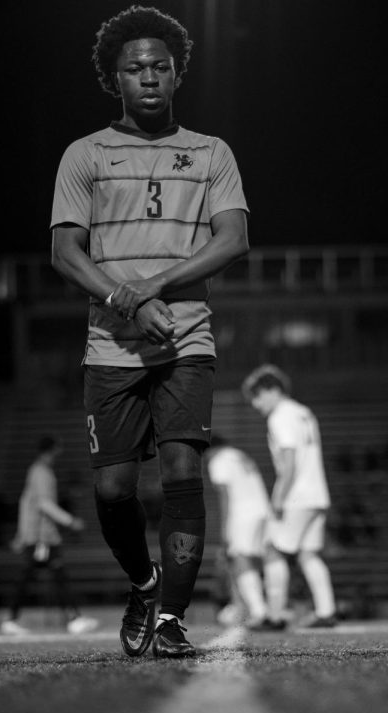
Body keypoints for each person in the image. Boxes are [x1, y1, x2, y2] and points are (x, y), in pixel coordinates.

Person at [48, 5, 250, 658]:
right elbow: (64, 252)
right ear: (115, 78)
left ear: (177, 73)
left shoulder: (211, 153)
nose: (150, 77)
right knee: (112, 490)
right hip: (111, 347)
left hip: (186, 341)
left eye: (161, 66)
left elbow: (234, 240)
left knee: (183, 467)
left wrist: (153, 289)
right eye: (135, 68)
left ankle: (170, 618)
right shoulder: (84, 155)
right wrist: (122, 300)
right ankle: (143, 582)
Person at [242, 364, 338, 629]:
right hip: (317, 494)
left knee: (273, 551)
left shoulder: (280, 416)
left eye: (257, 396)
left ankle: (274, 616)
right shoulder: (303, 412)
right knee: (309, 554)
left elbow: (289, 461)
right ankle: (326, 611)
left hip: (297, 496)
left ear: (273, 390)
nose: (255, 404)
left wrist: (278, 498)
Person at [3, 436, 99, 636]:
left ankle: (14, 619)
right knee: (47, 576)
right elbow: (43, 504)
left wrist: (21, 535)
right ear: (52, 450)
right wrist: (70, 521)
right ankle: (72, 619)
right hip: (42, 537)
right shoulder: (42, 473)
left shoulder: (36, 471)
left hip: (39, 535)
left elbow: (26, 502)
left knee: (43, 576)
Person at [204, 434, 272, 629]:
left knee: (239, 559)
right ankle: (249, 607)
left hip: (243, 513)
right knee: (254, 561)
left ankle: (259, 611)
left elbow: (225, 496)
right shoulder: (238, 454)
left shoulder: (218, 460)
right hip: (262, 510)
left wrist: (225, 528)